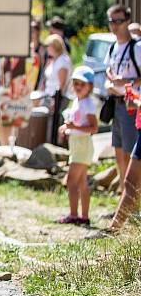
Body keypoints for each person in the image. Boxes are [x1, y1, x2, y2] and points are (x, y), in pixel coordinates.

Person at [103, 5, 141, 214]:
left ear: (127, 21)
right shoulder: (112, 48)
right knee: (119, 154)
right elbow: (108, 73)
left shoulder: (137, 47)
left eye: (118, 21)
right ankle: (123, 203)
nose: (114, 26)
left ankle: (133, 207)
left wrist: (124, 81)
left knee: (131, 155)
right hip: (115, 103)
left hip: (132, 106)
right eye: (111, 21)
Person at [56, 66, 97, 225]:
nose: (78, 87)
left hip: (82, 144)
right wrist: (67, 128)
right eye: (76, 83)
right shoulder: (77, 101)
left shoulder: (88, 104)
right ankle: (84, 217)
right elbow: (75, 123)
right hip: (77, 144)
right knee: (81, 182)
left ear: (90, 87)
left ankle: (74, 215)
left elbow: (93, 128)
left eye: (83, 84)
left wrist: (73, 128)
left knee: (71, 181)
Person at [43, 34, 72, 142]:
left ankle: (56, 145)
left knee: (55, 123)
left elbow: (62, 84)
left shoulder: (63, 61)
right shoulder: (55, 59)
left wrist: (56, 101)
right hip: (49, 95)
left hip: (58, 98)